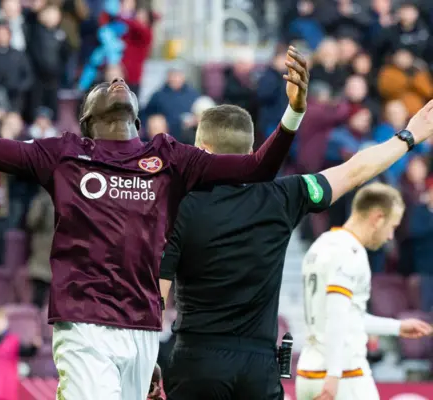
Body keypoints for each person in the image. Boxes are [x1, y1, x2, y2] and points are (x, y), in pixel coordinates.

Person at [0, 15, 309, 399]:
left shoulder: (170, 157)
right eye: (105, 84)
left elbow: (258, 168)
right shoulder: (63, 153)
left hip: (142, 326)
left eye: (122, 81)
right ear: (88, 117)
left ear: (137, 119)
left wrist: (294, 112)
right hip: (83, 320)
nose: (117, 80)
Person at [159, 100, 433, 400]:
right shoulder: (284, 196)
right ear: (252, 152)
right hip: (258, 368)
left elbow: (156, 296)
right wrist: (407, 136)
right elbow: (354, 171)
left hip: (197, 360)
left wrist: (149, 365)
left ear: (201, 149)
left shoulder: (179, 206)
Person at [296, 183, 433, 400]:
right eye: (392, 226)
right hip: (345, 376)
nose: (390, 236)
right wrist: (334, 375)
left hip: (308, 374)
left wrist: (397, 327)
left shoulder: (320, 245)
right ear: (378, 217)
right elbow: (336, 315)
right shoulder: (351, 252)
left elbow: (348, 316)